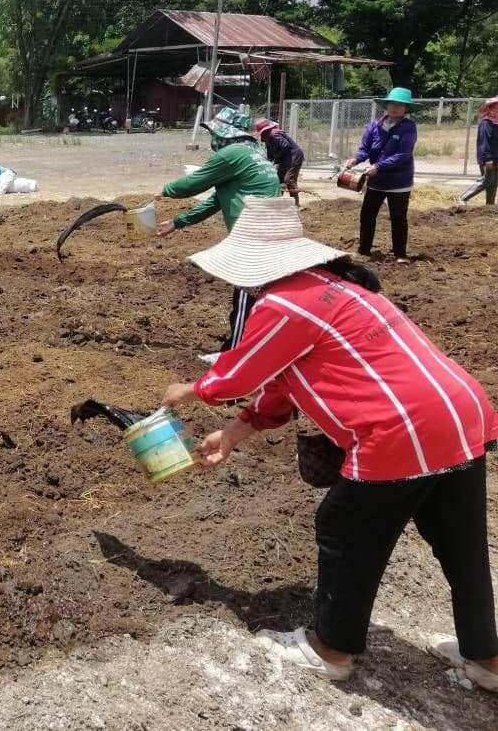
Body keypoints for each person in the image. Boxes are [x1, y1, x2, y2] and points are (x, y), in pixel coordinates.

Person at [161, 195, 498, 690]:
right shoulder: (340, 287)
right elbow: (280, 383)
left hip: (400, 431)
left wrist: (188, 390)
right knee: (461, 545)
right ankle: (487, 660)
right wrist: (235, 433)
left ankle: (332, 649)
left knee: (344, 529)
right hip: (461, 415)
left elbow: (235, 376)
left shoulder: (282, 303)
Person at [156, 109, 281, 353]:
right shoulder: (254, 151)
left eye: (214, 132)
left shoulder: (231, 154)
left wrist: (165, 190)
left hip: (254, 235)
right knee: (262, 296)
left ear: (225, 133)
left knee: (247, 296)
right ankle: (254, 346)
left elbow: (193, 183)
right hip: (273, 230)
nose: (212, 138)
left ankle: (237, 355)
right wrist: (179, 222)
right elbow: (216, 200)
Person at [344, 87, 418, 265]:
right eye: (391, 103)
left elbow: (403, 154)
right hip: (376, 180)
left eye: (399, 105)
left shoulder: (409, 127)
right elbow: (366, 148)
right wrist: (356, 159)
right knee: (367, 214)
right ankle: (364, 250)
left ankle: (400, 254)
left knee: (398, 217)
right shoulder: (375, 126)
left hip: (399, 181)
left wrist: (379, 166)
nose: (394, 108)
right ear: (386, 105)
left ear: (406, 109)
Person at [254, 118, 305, 208]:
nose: (261, 137)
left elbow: (285, 146)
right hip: (285, 159)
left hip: (294, 157)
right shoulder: (268, 139)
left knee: (288, 180)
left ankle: (296, 205)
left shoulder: (274, 135)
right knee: (278, 180)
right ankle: (276, 201)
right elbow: (270, 156)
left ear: (265, 131)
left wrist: (277, 157)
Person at [459, 96, 497, 206]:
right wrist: (488, 159)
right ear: (492, 107)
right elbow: (484, 143)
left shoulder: (497, 124)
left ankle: (490, 205)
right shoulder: (486, 123)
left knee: (494, 183)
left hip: (496, 158)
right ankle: (462, 198)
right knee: (486, 181)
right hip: (487, 159)